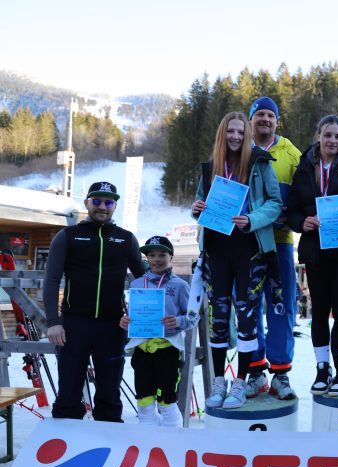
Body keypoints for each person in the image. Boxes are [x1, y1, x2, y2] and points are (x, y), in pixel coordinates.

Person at [191, 112, 282, 409]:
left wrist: (252, 219)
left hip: (248, 248)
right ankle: (220, 381)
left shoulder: (259, 163)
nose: (235, 137)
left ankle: (241, 381)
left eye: (240, 132)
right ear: (222, 134)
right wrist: (197, 209)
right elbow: (199, 203)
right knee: (218, 318)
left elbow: (276, 203)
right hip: (217, 248)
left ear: (247, 135)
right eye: (230, 131)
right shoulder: (210, 168)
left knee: (246, 317)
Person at [44, 181, 145, 422]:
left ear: (114, 206)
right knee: (68, 394)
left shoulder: (126, 239)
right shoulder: (67, 236)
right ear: (87, 202)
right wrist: (53, 321)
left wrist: (140, 316)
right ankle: (65, 447)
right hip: (74, 325)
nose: (102, 207)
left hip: (111, 327)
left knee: (109, 395)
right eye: (97, 201)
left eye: (108, 202)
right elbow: (51, 280)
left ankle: (108, 447)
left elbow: (145, 281)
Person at [287, 115, 338, 396]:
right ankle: (323, 367)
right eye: (328, 135)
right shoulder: (305, 169)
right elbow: (293, 209)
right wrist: (303, 223)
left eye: (337, 136)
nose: (332, 140)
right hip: (315, 249)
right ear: (318, 136)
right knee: (319, 311)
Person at [245, 96, 302, 400]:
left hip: (279, 244)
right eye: (260, 115)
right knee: (249, 308)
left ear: (277, 121)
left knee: (281, 308)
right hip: (246, 245)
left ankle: (281, 373)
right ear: (251, 119)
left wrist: (291, 218)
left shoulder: (291, 154)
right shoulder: (238, 149)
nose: (265, 120)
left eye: (270, 115)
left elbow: (302, 197)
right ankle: (255, 371)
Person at [120, 236, 195, 427]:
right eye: (152, 255)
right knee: (144, 398)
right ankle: (147, 440)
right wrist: (126, 321)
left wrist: (177, 321)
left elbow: (193, 318)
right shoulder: (137, 284)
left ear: (171, 256)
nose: (157, 259)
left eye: (162, 254)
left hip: (168, 349)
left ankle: (172, 440)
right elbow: (133, 316)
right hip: (142, 349)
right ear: (146, 258)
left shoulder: (180, 285)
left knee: (167, 399)